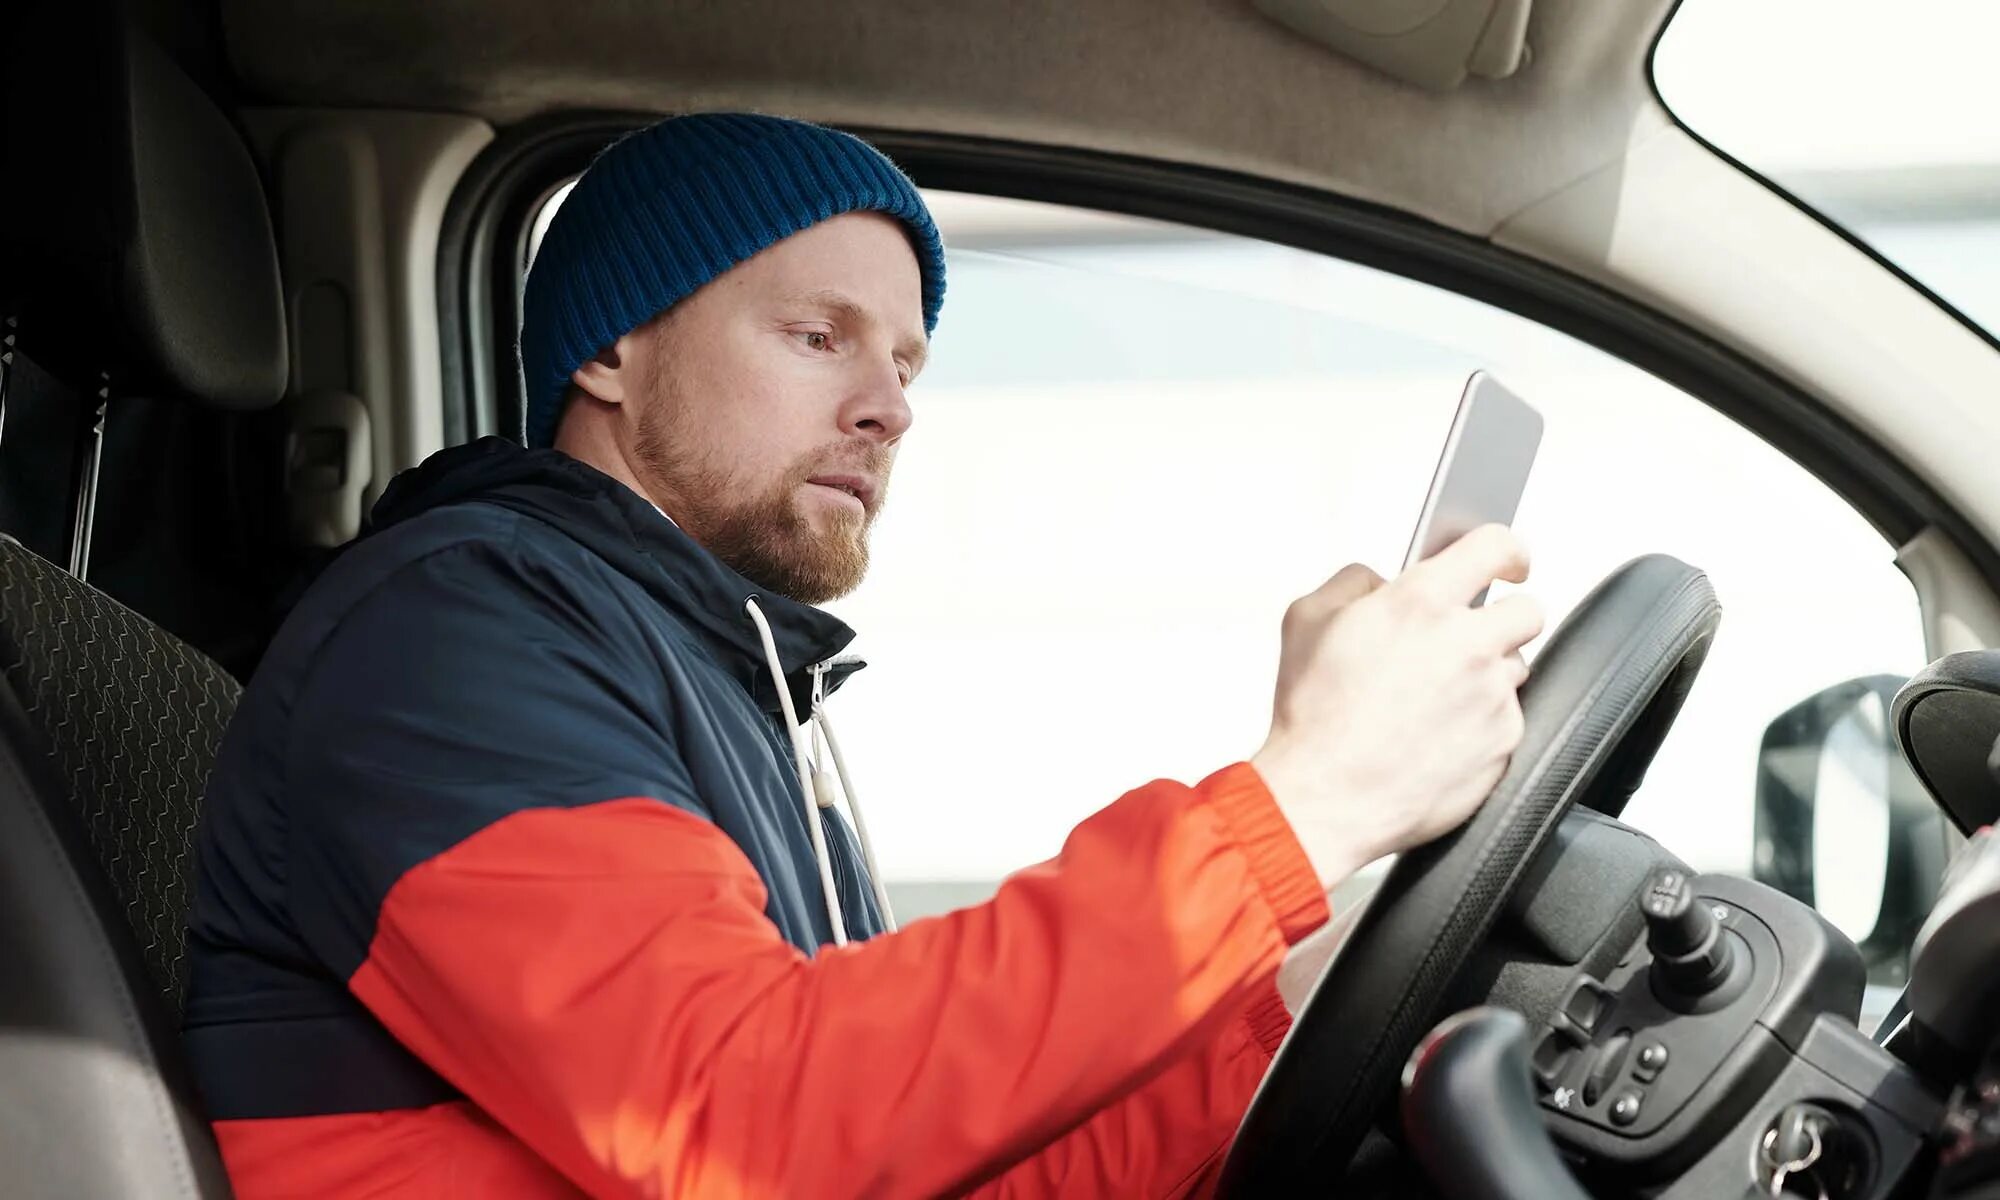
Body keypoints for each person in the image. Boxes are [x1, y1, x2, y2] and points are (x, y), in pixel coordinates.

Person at [182, 112, 1542, 1198]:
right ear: (612, 345)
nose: (888, 406)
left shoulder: (727, 681)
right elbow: (739, 1124)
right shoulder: (450, 639)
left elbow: (919, 1159)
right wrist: (1303, 806)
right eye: (819, 335)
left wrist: (1293, 1006)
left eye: (908, 362)